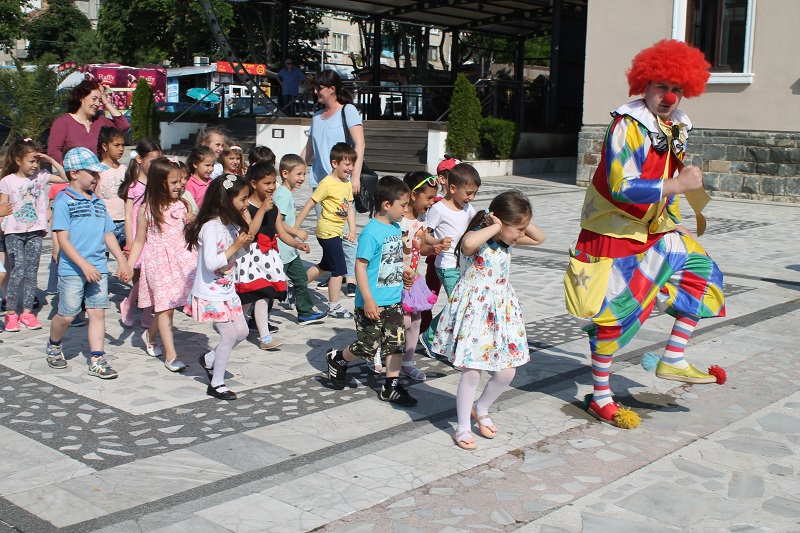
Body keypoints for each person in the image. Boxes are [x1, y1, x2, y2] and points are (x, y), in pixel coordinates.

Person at [564, 40, 726, 429]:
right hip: (613, 232)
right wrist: (677, 186)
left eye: (677, 88)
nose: (669, 96)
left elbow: (666, 175)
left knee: (703, 272)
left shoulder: (674, 125)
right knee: (612, 317)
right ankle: (601, 397)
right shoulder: (625, 126)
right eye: (660, 86)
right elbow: (623, 186)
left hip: (654, 229)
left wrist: (674, 215)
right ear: (644, 85)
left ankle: (672, 358)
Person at [435, 191, 546, 450]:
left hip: (500, 314)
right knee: (472, 371)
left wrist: (519, 221)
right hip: (475, 312)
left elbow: (541, 238)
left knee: (507, 371)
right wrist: (496, 224)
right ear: (499, 222)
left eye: (522, 228)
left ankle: (481, 407)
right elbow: (468, 245)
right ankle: (462, 426)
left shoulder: (508, 241)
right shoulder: (478, 239)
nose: (521, 234)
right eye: (517, 228)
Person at [325, 176, 418, 407]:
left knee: (396, 343)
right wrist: (367, 299)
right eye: (403, 205)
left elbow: (394, 258)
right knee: (368, 346)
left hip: (393, 300)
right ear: (387, 205)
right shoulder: (371, 233)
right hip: (372, 301)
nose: (406, 210)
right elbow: (361, 265)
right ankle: (338, 358)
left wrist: (406, 269)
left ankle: (391, 386)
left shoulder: (395, 228)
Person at [45, 147, 132, 376]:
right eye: (92, 173)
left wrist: (122, 262)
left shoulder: (97, 202)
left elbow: (108, 234)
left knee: (97, 312)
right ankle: (54, 344)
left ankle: (97, 358)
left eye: (97, 173)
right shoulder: (64, 201)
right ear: (74, 173)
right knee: (68, 313)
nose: (96, 178)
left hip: (99, 268)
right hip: (73, 269)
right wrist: (84, 265)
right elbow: (63, 239)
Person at [185, 174, 253, 400]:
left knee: (242, 332)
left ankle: (209, 360)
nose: (246, 204)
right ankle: (216, 383)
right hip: (211, 292)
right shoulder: (211, 227)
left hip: (227, 290)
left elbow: (239, 254)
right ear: (226, 200)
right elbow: (211, 262)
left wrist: (245, 245)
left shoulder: (231, 224)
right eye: (243, 199)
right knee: (227, 336)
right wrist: (236, 245)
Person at [126, 158, 197, 371]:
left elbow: (187, 235)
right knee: (164, 309)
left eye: (180, 181)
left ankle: (149, 335)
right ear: (159, 183)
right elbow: (139, 241)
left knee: (170, 307)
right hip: (158, 263)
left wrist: (191, 223)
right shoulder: (147, 210)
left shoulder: (182, 205)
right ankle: (171, 356)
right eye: (173, 182)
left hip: (181, 261)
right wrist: (129, 266)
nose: (179, 186)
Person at [300, 70, 364, 296]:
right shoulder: (316, 117)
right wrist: (295, 170)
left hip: (342, 182)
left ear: (332, 89)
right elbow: (310, 149)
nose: (315, 92)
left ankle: (350, 277)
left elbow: (359, 144)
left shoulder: (348, 111)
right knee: (328, 231)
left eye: (319, 87)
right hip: (320, 182)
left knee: (346, 230)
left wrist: (354, 176)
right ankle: (333, 269)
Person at [234, 162, 310, 350]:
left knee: (263, 295)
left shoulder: (273, 207)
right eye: (266, 183)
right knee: (247, 296)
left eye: (273, 182)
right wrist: (261, 210)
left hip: (267, 257)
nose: (271, 187)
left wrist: (297, 244)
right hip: (249, 257)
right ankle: (240, 324)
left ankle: (264, 337)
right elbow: (249, 232)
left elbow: (282, 232)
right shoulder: (246, 207)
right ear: (254, 183)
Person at [0, 139, 68, 331]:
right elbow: (3, 207)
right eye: (31, 161)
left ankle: (27, 313)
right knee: (18, 271)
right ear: (18, 160)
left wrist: (50, 160)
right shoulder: (7, 181)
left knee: (31, 273)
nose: (35, 165)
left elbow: (65, 178)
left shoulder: (42, 177)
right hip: (13, 232)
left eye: (37, 161)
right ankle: (11, 313)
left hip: (35, 231)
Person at [419, 163, 481, 356]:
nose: (470, 198)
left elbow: (474, 224)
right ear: (453, 188)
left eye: (474, 194)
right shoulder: (439, 209)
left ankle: (447, 338)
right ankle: (430, 335)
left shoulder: (467, 207)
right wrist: (437, 241)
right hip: (446, 265)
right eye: (468, 193)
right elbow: (424, 235)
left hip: (463, 264)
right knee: (458, 304)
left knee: (462, 303)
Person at [295, 142, 357, 319]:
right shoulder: (326, 183)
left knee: (326, 265)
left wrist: (352, 229)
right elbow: (310, 204)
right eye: (347, 164)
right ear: (335, 163)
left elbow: (350, 208)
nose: (350, 168)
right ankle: (334, 306)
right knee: (339, 269)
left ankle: (297, 286)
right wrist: (296, 227)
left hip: (338, 231)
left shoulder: (346, 184)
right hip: (327, 231)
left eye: (352, 164)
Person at [393, 171, 444, 381]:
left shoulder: (422, 219)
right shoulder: (399, 219)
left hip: (414, 279)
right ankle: (381, 355)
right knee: (399, 321)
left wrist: (432, 249)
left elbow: (421, 247)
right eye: (429, 198)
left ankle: (407, 361)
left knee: (416, 319)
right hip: (396, 278)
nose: (431, 203)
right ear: (413, 195)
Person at [273, 154, 327, 325]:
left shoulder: (287, 193)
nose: (302, 178)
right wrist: (296, 232)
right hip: (280, 249)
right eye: (298, 174)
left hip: (290, 250)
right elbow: (277, 222)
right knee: (270, 286)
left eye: (304, 174)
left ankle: (305, 312)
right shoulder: (282, 195)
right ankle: (254, 316)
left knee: (301, 279)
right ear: (285, 173)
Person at [117, 139, 161, 329]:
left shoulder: (158, 184)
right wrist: (129, 241)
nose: (155, 166)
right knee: (143, 276)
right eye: (152, 161)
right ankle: (128, 304)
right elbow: (128, 215)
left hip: (154, 234)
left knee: (152, 275)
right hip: (138, 236)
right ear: (139, 160)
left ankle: (146, 315)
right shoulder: (133, 187)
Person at [420, 156, 461, 333]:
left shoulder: (463, 204)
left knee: (458, 298)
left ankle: (430, 330)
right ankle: (423, 329)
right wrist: (435, 244)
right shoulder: (435, 205)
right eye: (457, 176)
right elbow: (424, 231)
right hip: (436, 258)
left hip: (456, 260)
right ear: (443, 179)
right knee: (430, 295)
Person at [47, 79, 130, 164]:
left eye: (99, 100)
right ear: (81, 98)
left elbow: (124, 126)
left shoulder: (101, 121)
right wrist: (72, 165)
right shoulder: (63, 122)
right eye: (94, 99)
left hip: (101, 174)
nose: (97, 104)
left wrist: (106, 102)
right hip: (76, 175)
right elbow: (53, 152)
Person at [95, 127, 127, 249]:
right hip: (105, 222)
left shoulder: (124, 170)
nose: (121, 149)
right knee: (104, 257)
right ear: (105, 146)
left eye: (123, 145)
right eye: (116, 145)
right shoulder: (98, 170)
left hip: (124, 221)